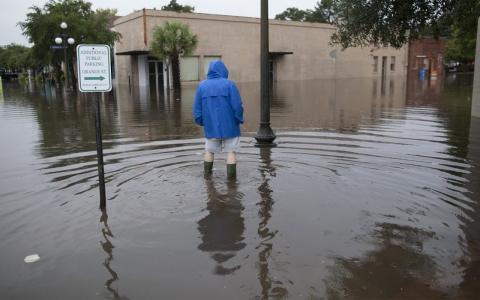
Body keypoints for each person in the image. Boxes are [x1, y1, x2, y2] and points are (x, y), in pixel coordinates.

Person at [193, 60, 244, 178]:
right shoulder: (229, 84)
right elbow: (236, 105)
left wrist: (202, 122)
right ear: (223, 70)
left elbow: (197, 108)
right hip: (230, 126)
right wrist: (239, 119)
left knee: (209, 151)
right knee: (230, 152)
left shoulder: (201, 86)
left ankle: (207, 178)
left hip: (210, 126)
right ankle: (232, 182)